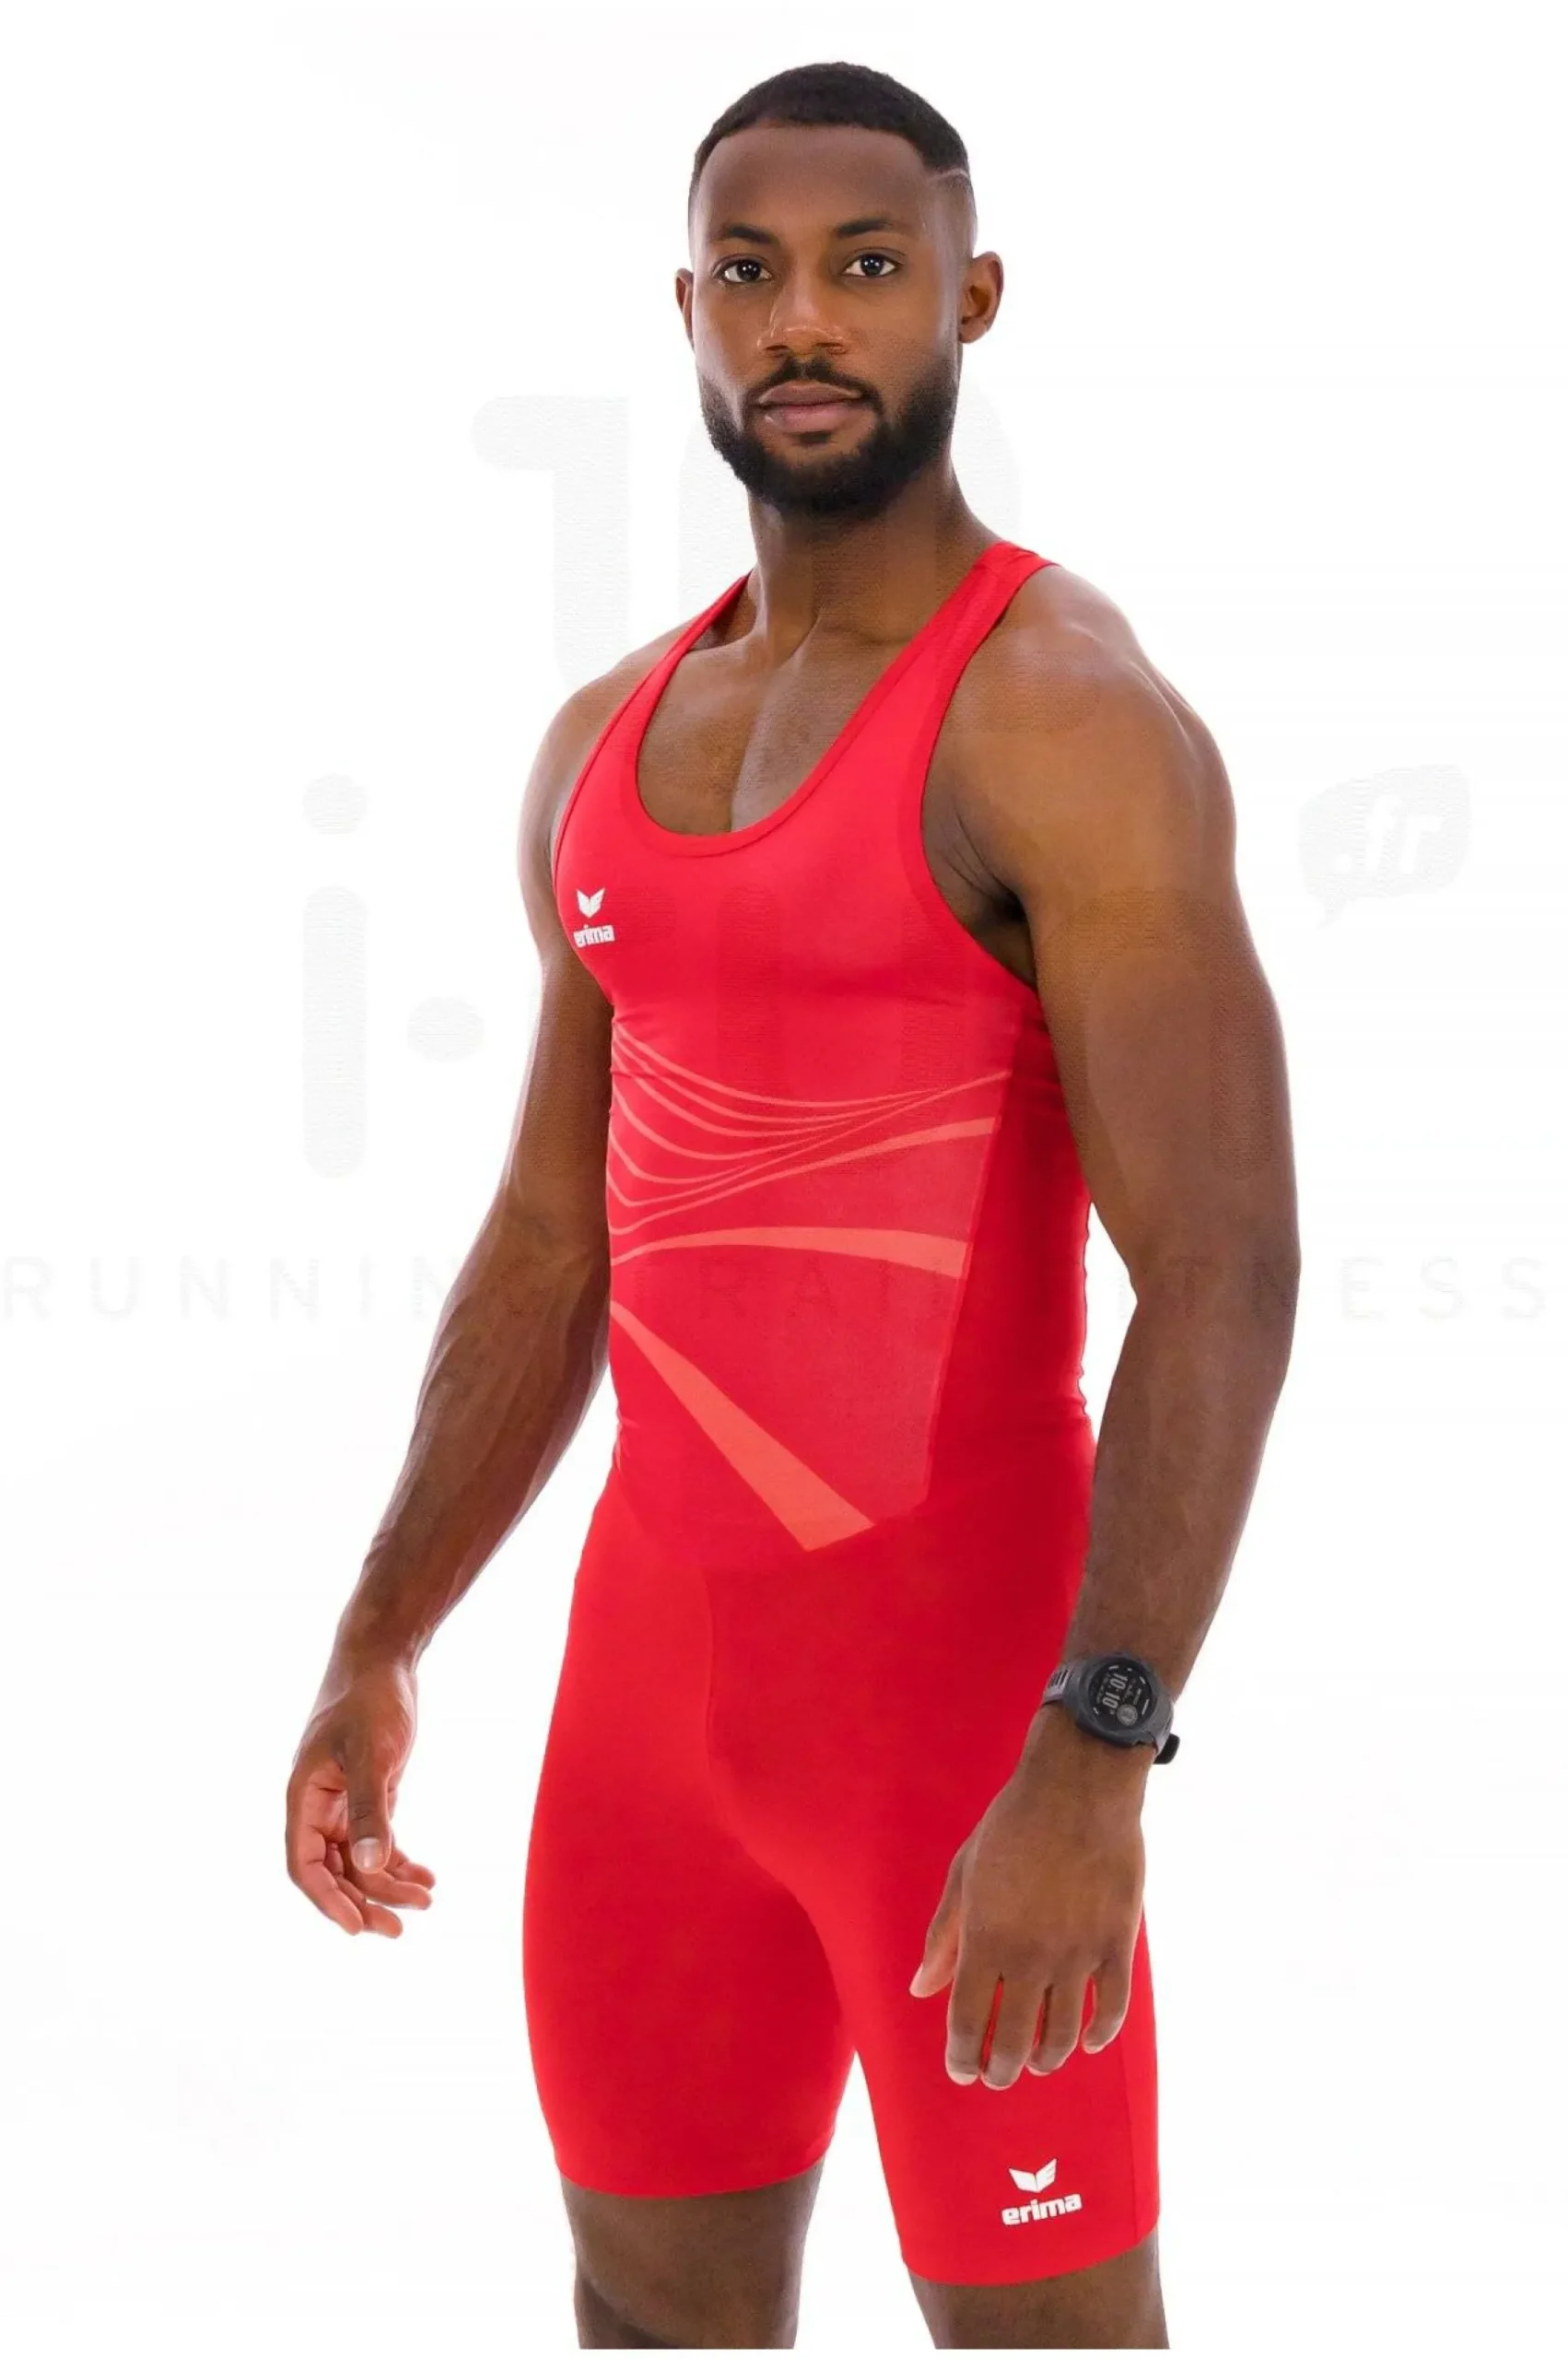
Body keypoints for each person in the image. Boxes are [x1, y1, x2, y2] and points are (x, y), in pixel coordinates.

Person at [286, 58, 1299, 2351]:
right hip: (645, 1723)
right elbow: (550, 1241)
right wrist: (383, 1627)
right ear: (688, 311)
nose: (802, 322)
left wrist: (1095, 1750)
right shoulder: (603, 739)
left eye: (864, 266)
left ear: (970, 296)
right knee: (645, 2314)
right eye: (749, 273)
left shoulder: (1058, 717)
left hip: (963, 1723)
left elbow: (1222, 1264)